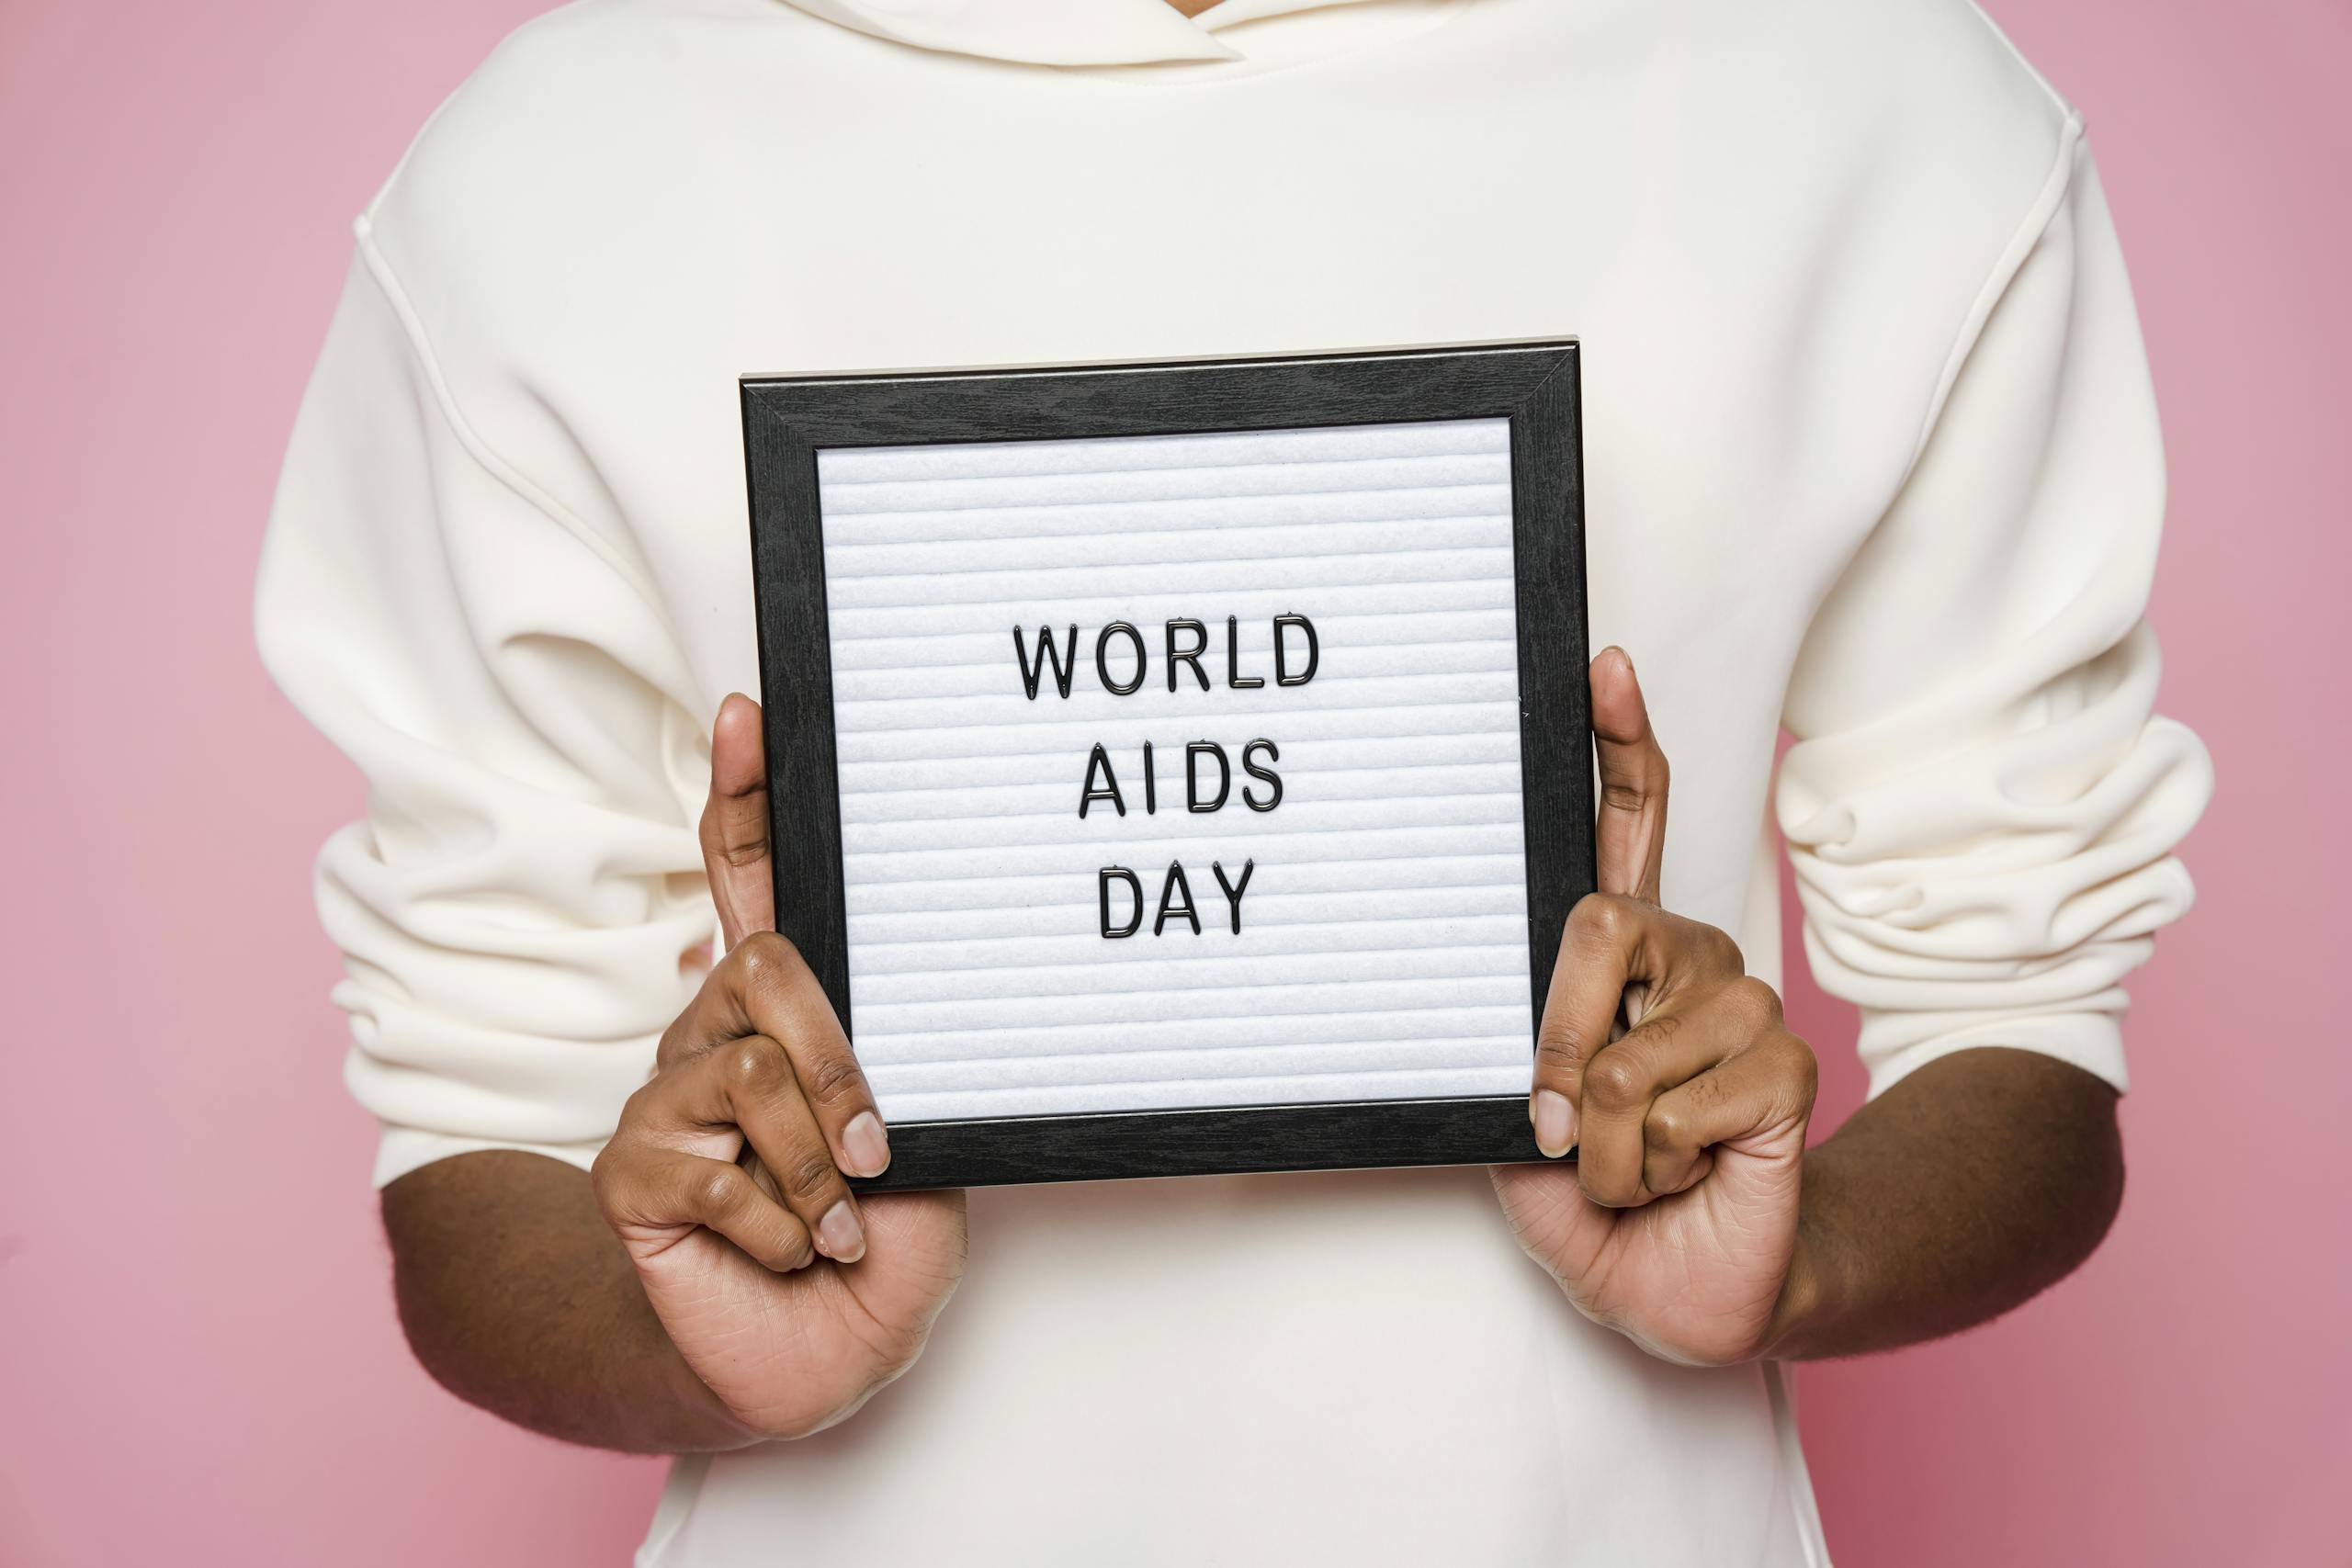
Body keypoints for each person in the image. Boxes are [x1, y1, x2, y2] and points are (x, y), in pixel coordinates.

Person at [254, 0, 2213, 1561]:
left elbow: (2022, 1020)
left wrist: (1797, 1252)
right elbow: (474, 1137)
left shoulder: (1858, 86)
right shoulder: (561, 164)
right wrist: (709, 1351)